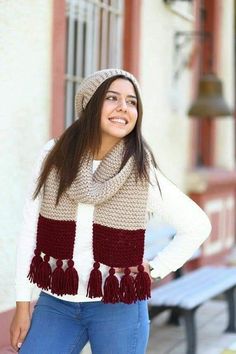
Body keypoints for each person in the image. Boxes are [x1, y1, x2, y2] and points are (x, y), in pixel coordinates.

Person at [10, 68, 211, 354]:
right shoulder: (54, 156)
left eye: (132, 102)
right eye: (112, 98)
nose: (123, 108)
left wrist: (153, 269)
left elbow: (197, 225)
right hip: (57, 303)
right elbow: (31, 228)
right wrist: (22, 304)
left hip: (119, 306)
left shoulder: (141, 170)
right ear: (89, 104)